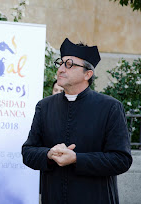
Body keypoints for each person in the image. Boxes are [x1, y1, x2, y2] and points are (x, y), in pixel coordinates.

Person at [22, 38, 132, 204]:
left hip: (96, 198)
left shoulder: (110, 107)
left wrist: (76, 159)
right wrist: (48, 154)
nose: (60, 69)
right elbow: (28, 152)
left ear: (88, 74)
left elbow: (121, 160)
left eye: (69, 64)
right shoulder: (45, 107)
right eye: (61, 63)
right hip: (54, 197)